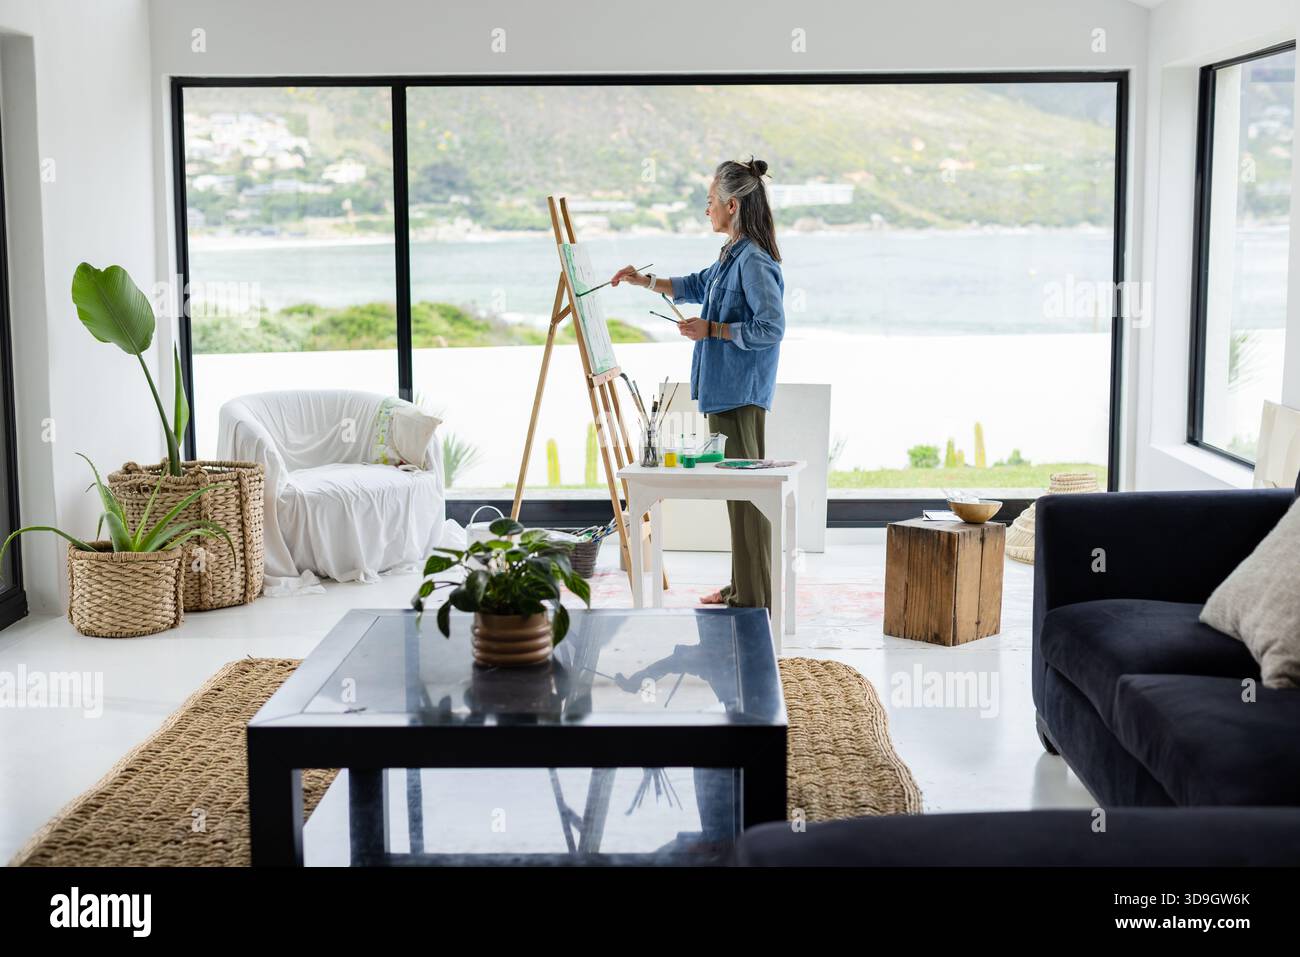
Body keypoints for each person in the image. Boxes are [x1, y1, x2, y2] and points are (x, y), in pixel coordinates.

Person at [610, 157, 785, 610]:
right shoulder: (730, 255)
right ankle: (741, 588)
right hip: (722, 392)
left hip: (741, 395)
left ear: (731, 204)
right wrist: (641, 281)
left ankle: (755, 597)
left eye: (709, 202)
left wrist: (713, 330)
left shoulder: (755, 260)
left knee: (751, 499)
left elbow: (771, 328)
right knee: (738, 498)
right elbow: (695, 285)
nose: (706, 210)